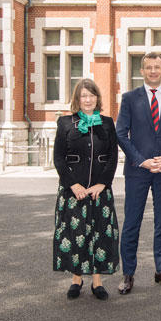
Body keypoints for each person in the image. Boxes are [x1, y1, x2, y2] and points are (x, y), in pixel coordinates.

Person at [116, 52, 161, 293]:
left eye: (157, 67)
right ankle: (128, 274)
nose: (153, 71)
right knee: (132, 223)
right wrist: (141, 161)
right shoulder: (129, 99)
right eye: (149, 67)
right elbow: (121, 133)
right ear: (142, 71)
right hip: (138, 171)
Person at [53, 78, 119, 301]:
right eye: (83, 96)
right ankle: (76, 279)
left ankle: (97, 281)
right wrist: (73, 185)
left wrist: (102, 183)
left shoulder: (107, 123)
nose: (88, 99)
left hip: (99, 192)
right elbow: (59, 158)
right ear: (77, 99)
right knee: (76, 236)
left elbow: (112, 157)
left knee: (100, 235)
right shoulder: (65, 123)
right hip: (74, 192)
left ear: (97, 98)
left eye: (91, 95)